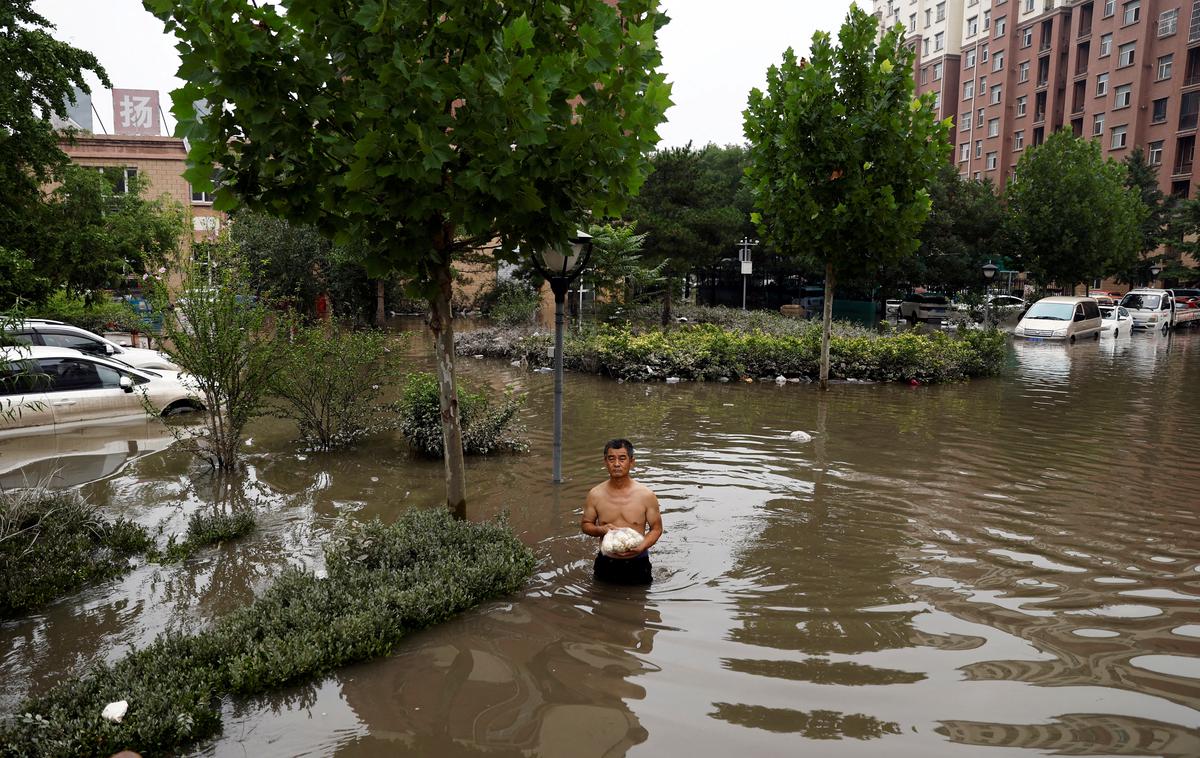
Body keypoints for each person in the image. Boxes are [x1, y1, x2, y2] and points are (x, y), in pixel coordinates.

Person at [581, 438, 663, 585]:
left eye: (622, 458)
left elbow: (656, 529)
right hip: (606, 562)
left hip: (638, 562)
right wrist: (601, 529)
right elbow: (586, 525)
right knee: (600, 603)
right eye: (611, 459)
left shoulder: (646, 495)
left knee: (639, 605)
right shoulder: (595, 494)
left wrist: (642, 546)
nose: (617, 464)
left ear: (632, 462)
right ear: (605, 462)